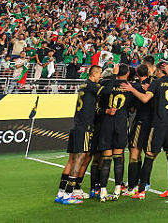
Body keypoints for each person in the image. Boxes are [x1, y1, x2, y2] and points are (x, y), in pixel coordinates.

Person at [127, 61, 168, 199]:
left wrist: (133, 90)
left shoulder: (156, 83)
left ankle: (142, 190)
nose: (155, 73)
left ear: (159, 71)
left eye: (156, 71)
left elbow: (145, 99)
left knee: (149, 156)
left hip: (158, 125)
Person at [54, 65, 103, 205]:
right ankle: (69, 194)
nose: (100, 77)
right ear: (94, 74)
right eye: (99, 74)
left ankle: (61, 193)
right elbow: (106, 91)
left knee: (71, 160)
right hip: (84, 128)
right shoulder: (91, 85)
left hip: (76, 125)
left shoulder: (83, 86)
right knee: (79, 159)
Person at [93, 64, 133, 202]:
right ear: (127, 73)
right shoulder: (130, 86)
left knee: (106, 158)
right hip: (121, 123)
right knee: (118, 157)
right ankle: (117, 189)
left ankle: (103, 191)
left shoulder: (105, 83)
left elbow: (101, 101)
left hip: (107, 123)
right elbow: (133, 108)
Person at [124, 58, 154, 196]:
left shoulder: (135, 86)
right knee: (143, 153)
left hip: (141, 122)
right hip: (152, 124)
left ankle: (132, 187)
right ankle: (144, 182)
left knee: (134, 154)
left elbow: (131, 108)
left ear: (137, 72)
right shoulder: (154, 85)